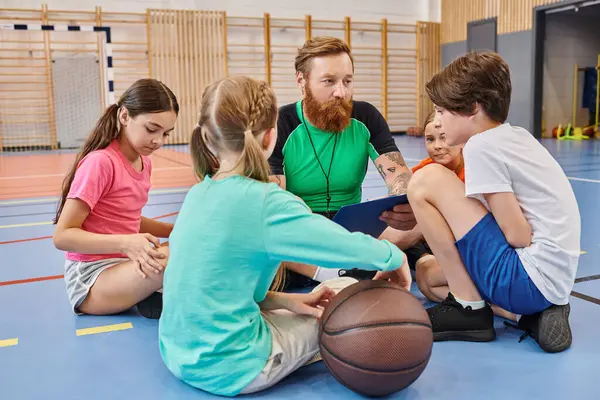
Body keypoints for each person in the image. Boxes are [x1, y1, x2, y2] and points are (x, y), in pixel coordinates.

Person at [158, 76, 410, 397]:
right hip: (238, 367)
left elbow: (221, 288)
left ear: (206, 137)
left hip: (180, 356)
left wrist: (291, 301)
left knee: (316, 298)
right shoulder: (267, 201)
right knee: (348, 290)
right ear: (270, 136)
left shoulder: (197, 194)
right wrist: (392, 255)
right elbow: (337, 244)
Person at [407, 51, 579, 353]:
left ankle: (469, 309)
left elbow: (518, 235)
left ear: (473, 107)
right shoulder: (516, 136)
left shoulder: (480, 146)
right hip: (552, 284)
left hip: (526, 280)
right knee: (429, 280)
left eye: (442, 111)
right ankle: (526, 316)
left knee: (424, 180)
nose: (437, 121)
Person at [267, 36, 415, 288]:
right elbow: (272, 196)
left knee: (425, 206)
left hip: (353, 231)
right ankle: (348, 267)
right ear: (301, 81)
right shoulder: (281, 123)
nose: (341, 92)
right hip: (301, 231)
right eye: (329, 81)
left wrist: (404, 205)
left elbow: (399, 177)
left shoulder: (366, 116)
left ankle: (345, 264)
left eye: (347, 81)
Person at [53, 78, 179, 320]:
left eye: (166, 133)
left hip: (126, 266)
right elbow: (62, 236)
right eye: (152, 129)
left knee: (190, 245)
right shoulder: (100, 162)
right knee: (183, 255)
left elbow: (126, 218)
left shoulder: (145, 162)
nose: (159, 141)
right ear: (124, 116)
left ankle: (154, 297)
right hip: (92, 280)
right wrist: (125, 243)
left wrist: (175, 230)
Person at [400, 111, 465, 303]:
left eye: (444, 138)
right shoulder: (423, 171)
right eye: (430, 139)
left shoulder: (473, 173)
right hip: (430, 242)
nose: (437, 146)